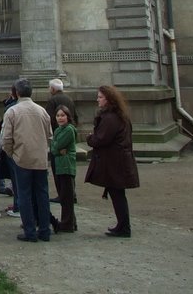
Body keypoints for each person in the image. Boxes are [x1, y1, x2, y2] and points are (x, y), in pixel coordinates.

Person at [1, 78, 53, 242]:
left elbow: (6, 139)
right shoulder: (42, 111)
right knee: (42, 195)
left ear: (16, 93)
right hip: (40, 159)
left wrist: (12, 154)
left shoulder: (12, 112)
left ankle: (30, 231)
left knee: (24, 195)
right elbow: (49, 135)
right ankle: (45, 231)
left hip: (21, 159)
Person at [85, 85, 140, 238]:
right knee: (117, 194)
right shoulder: (119, 116)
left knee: (117, 194)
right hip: (118, 161)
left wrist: (89, 138)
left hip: (115, 163)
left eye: (100, 97)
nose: (98, 100)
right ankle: (122, 225)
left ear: (108, 99)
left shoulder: (110, 118)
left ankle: (124, 226)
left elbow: (100, 139)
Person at [50, 105, 78, 233]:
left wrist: (55, 146)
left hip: (66, 165)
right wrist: (55, 147)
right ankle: (71, 221)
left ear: (68, 116)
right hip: (58, 164)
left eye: (62, 115)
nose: (60, 118)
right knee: (63, 195)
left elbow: (57, 146)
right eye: (58, 116)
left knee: (67, 196)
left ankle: (67, 223)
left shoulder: (68, 130)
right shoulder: (57, 130)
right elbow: (54, 148)